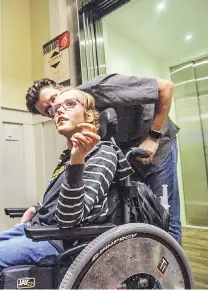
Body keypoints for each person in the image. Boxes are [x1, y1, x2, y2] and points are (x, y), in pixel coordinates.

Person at [0, 88, 134, 289]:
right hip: (39, 227)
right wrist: (37, 207)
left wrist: (77, 162)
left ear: (89, 114)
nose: (59, 112)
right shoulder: (68, 156)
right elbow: (58, 198)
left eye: (69, 104)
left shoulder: (102, 153)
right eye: (55, 109)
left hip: (61, 239)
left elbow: (69, 218)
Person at [25, 75, 182, 244]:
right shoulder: (80, 124)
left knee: (165, 218)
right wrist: (42, 207)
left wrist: (153, 137)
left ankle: (174, 269)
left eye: (54, 98)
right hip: (127, 153)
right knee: (138, 216)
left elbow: (166, 87)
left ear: (62, 89)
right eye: (49, 111)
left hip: (156, 144)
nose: (56, 109)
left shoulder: (99, 88)